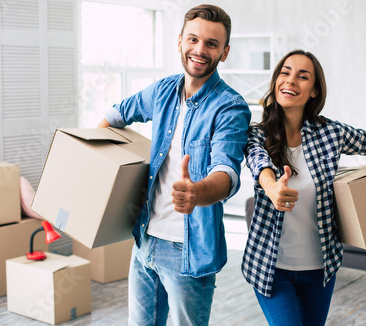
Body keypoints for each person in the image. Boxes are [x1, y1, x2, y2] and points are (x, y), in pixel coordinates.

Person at [98, 4, 251, 326]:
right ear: (180, 41)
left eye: (211, 44)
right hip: (145, 238)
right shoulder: (163, 90)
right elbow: (116, 115)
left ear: (224, 52)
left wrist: (198, 192)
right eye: (193, 39)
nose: (200, 50)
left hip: (188, 250)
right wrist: (95, 165)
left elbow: (227, 172)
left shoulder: (231, 106)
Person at [242, 49, 366, 326]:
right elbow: (258, 163)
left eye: (302, 77)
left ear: (314, 91)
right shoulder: (257, 134)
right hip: (270, 268)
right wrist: (271, 187)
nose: (290, 81)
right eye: (285, 72)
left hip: (320, 268)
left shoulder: (331, 134)